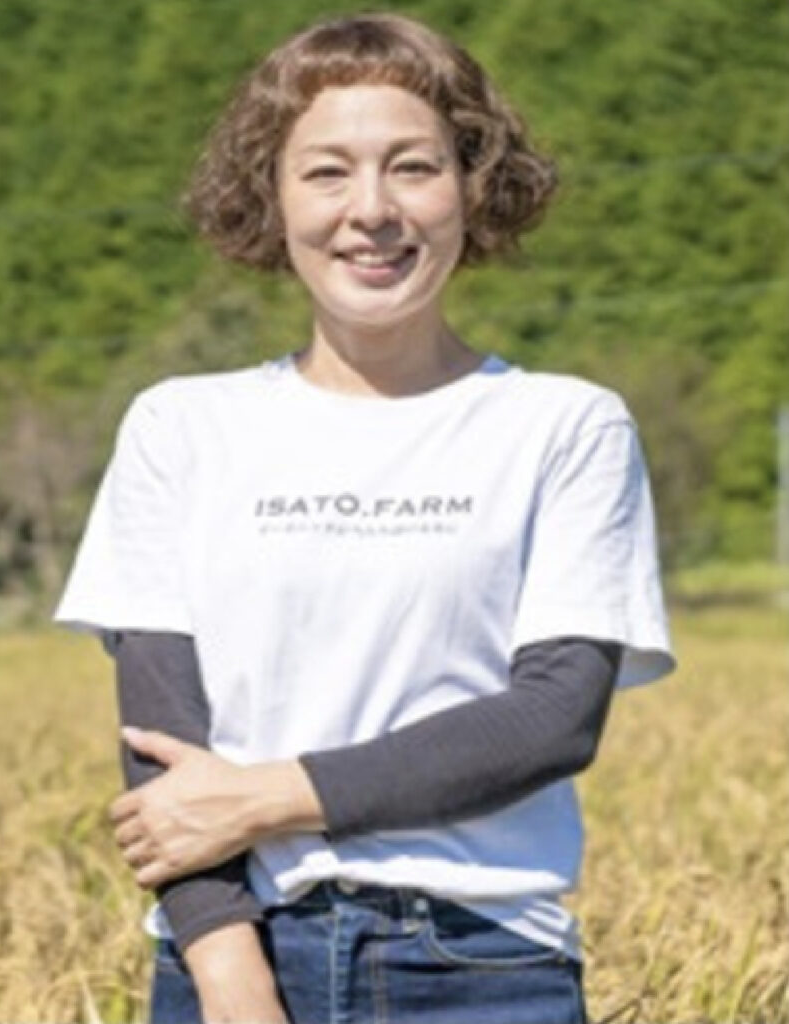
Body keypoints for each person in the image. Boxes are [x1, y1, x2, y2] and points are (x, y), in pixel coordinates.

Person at [55, 12, 675, 1024]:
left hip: (481, 969)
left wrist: (264, 798)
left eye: (414, 167)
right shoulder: (180, 426)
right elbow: (160, 739)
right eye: (326, 172)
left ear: (473, 186)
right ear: (272, 196)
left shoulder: (564, 425)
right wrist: (230, 977)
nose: (372, 211)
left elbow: (550, 716)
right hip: (230, 958)